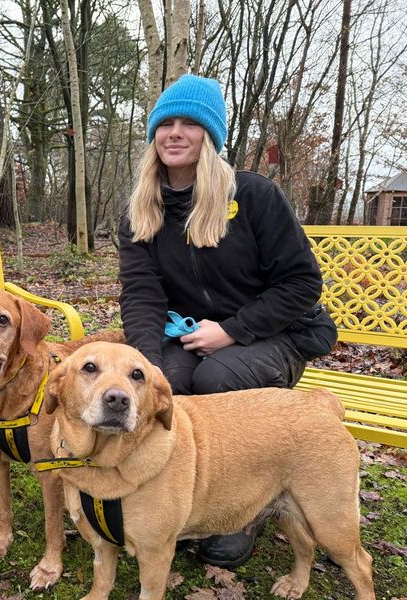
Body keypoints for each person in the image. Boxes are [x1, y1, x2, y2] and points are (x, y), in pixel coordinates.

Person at [118, 74, 337, 568]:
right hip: (192, 335)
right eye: (165, 124)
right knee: (166, 382)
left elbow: (302, 285)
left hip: (275, 334)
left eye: (190, 124)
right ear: (154, 136)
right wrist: (144, 368)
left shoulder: (255, 196)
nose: (175, 133)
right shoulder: (139, 212)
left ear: (210, 137)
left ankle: (243, 508)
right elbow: (142, 296)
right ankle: (170, 499)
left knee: (218, 377)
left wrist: (233, 330)